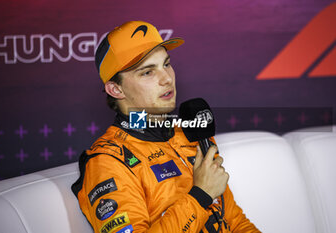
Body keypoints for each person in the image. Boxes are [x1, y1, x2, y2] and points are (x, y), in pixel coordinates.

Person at [72, 20, 260, 233]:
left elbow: (234, 221)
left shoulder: (193, 133)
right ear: (116, 90)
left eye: (166, 64)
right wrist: (200, 196)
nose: (167, 79)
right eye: (147, 72)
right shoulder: (108, 161)